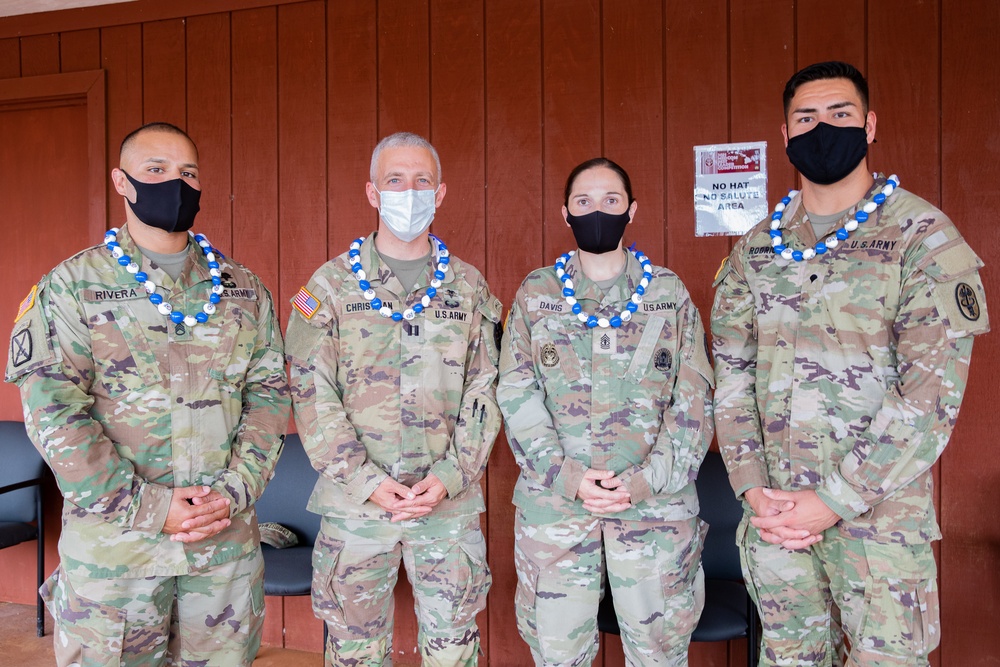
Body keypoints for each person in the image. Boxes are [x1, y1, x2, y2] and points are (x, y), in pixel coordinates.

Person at [712, 61, 990, 666]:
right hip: (777, 519)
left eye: (838, 114)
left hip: (878, 528)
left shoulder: (923, 238)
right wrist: (753, 488)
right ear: (784, 137)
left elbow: (928, 401)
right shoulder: (756, 248)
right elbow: (730, 379)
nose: (822, 128)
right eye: (805, 118)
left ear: (868, 125)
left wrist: (834, 501)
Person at [5, 122, 291, 666]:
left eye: (187, 173)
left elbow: (270, 397)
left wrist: (234, 491)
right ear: (122, 181)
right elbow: (53, 411)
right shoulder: (71, 286)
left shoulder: (244, 289)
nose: (174, 184)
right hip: (118, 557)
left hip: (221, 552)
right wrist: (148, 507)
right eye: (155, 171)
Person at [285, 131, 502, 667]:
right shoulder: (330, 286)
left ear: (441, 192)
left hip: (444, 506)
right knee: (356, 651)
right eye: (395, 180)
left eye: (421, 180)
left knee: (453, 649)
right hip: (355, 506)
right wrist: (365, 481)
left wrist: (451, 475)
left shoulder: (469, 287)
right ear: (372, 192)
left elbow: (488, 387)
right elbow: (311, 390)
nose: (410, 191)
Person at [498, 158, 714, 666]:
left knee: (658, 656)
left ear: (632, 210)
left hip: (654, 515)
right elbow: (516, 393)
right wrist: (566, 475)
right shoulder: (536, 294)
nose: (598, 211)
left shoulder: (668, 294)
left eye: (611, 200)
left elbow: (695, 400)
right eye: (584, 202)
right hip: (556, 514)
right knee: (559, 655)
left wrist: (645, 481)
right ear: (566, 214)